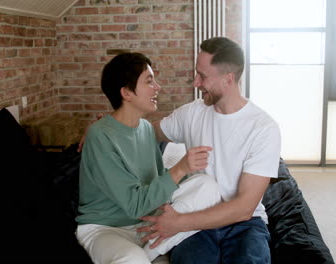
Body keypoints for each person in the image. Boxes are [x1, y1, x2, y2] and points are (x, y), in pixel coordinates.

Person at [135, 37, 281, 264]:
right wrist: (109, 128)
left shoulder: (263, 128)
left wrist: (177, 223)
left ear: (228, 79)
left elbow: (243, 208)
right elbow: (147, 132)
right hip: (196, 220)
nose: (195, 83)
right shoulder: (191, 113)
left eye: (202, 76)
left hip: (245, 223)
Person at [75, 52, 221, 264]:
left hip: (147, 221)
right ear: (126, 92)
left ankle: (149, 253)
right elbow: (134, 205)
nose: (157, 87)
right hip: (108, 229)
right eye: (149, 81)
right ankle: (145, 255)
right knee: (131, 259)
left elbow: (159, 181)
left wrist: (177, 193)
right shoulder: (100, 135)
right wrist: (180, 168)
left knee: (207, 186)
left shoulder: (145, 128)